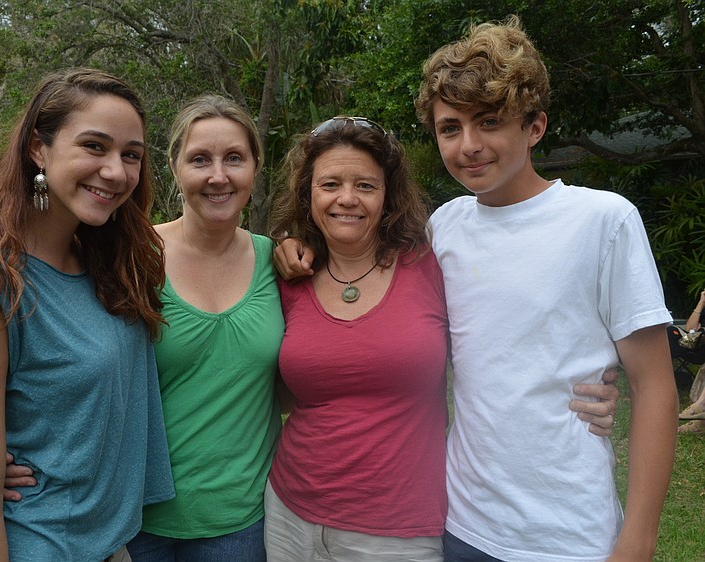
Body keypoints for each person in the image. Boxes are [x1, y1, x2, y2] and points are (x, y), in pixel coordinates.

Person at [274, 17, 669, 562]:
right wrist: (299, 246)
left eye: (489, 122)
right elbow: (364, 263)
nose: (469, 145)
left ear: (534, 127)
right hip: (463, 524)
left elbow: (655, 387)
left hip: (569, 532)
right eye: (450, 128)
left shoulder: (604, 221)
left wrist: (639, 540)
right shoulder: (444, 230)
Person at [0, 68, 174, 561]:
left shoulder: (105, 265)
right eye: (94, 146)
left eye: (131, 154)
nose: (116, 170)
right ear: (38, 150)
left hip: (108, 545)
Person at [265, 116, 449, 561]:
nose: (346, 199)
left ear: (387, 196)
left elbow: (503, 340)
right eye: (330, 184)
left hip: (398, 530)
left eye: (365, 186)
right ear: (308, 193)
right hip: (290, 514)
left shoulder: (432, 263)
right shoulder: (288, 277)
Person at [126, 95, 283, 561]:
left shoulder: (279, 262)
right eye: (200, 160)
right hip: (138, 516)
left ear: (254, 168)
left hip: (238, 522)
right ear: (175, 168)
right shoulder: (132, 257)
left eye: (234, 158)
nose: (218, 176)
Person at [678, 290, 705, 433]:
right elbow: (689, 329)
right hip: (699, 349)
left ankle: (699, 408)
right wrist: (701, 303)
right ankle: (698, 413)